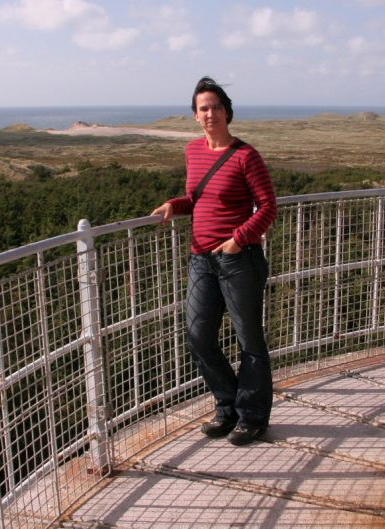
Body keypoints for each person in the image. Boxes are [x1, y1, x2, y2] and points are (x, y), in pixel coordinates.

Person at [151, 77, 277, 446]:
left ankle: (252, 417)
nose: (210, 113)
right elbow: (198, 198)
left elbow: (268, 206)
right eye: (203, 108)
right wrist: (176, 205)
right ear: (195, 116)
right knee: (198, 335)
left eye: (216, 107)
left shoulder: (245, 156)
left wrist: (238, 239)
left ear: (227, 112)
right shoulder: (192, 152)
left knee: (248, 339)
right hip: (201, 260)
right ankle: (227, 407)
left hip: (239, 260)